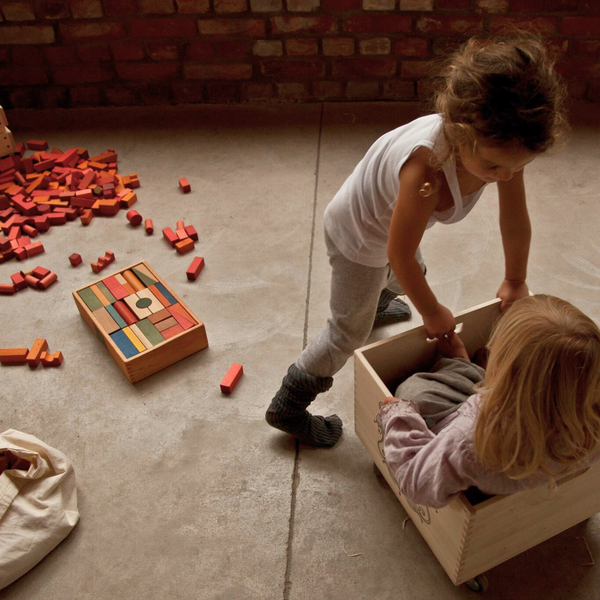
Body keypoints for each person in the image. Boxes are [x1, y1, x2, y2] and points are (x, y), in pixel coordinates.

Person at [266, 34, 568, 448]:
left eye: (516, 167)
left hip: (395, 225)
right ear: (460, 133)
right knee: (348, 330)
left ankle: (377, 301)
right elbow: (397, 253)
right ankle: (289, 404)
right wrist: (433, 313)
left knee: (412, 274)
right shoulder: (425, 169)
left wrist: (516, 278)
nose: (503, 176)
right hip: (359, 234)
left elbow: (514, 221)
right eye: (493, 166)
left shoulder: (503, 152)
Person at [377, 295, 600, 509]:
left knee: (413, 392)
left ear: (498, 372)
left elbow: (417, 483)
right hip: (511, 460)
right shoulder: (592, 424)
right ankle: (465, 368)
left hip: (471, 467)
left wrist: (399, 416)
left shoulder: (473, 438)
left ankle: (463, 368)